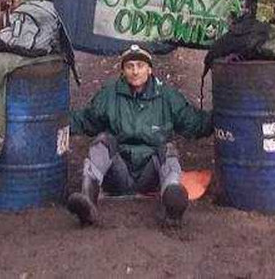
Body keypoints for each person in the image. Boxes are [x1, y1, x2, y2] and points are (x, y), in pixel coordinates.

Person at [65, 44, 212, 226]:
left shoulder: (166, 96)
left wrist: (221, 118)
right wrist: (58, 121)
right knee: (102, 141)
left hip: (150, 175)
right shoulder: (110, 94)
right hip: (119, 173)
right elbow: (87, 120)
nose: (135, 71)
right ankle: (87, 201)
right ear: (123, 71)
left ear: (149, 69)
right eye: (130, 66)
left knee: (168, 148)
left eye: (140, 66)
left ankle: (173, 202)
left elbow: (193, 123)